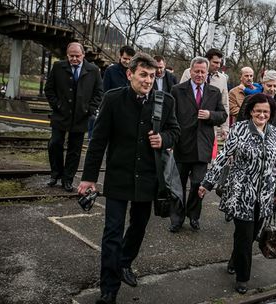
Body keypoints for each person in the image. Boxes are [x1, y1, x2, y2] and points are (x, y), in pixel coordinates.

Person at [78, 53, 180, 304]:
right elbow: (98, 141)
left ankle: (124, 263)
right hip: (118, 177)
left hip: (148, 178)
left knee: (138, 226)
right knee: (112, 232)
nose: (147, 80)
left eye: (152, 76)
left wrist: (163, 139)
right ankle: (109, 289)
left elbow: (175, 131)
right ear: (130, 74)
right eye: (142, 74)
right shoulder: (113, 99)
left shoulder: (165, 101)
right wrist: (88, 178)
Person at [198, 93, 276, 294]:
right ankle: (242, 278)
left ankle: (234, 260)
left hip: (264, 196)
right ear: (251, 111)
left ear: (270, 114)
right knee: (244, 236)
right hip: (242, 193)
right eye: (258, 111)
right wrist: (207, 183)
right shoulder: (240, 129)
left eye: (266, 111)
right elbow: (222, 156)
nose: (262, 114)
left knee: (252, 235)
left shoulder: (275, 133)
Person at [169, 56, 227, 232]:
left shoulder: (214, 92)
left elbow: (223, 115)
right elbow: (170, 116)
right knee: (177, 185)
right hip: (182, 145)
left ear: (207, 72)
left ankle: (193, 216)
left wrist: (210, 115)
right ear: (191, 71)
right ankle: (176, 219)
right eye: (196, 71)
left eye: (203, 72)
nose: (199, 75)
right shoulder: (177, 90)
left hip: (203, 146)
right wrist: (170, 140)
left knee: (197, 184)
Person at [44, 42, 103, 192]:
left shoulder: (93, 70)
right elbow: (49, 89)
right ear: (67, 55)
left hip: (81, 116)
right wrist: (57, 105)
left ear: (83, 55)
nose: (74, 59)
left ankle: (68, 179)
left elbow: (99, 92)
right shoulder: (58, 67)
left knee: (74, 150)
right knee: (55, 143)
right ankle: (55, 174)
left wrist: (90, 109)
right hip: (60, 114)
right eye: (71, 56)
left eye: (77, 56)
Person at [237, 70, 276, 170]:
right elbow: (239, 126)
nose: (272, 89)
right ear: (263, 84)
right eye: (269, 86)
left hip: (271, 154)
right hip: (248, 151)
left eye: (275, 86)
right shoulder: (249, 100)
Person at [180, 48, 229, 139]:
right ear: (207, 60)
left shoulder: (222, 79)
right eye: (215, 62)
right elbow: (180, 97)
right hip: (187, 126)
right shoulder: (188, 72)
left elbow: (225, 104)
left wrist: (225, 127)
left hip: (209, 128)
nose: (218, 66)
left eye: (219, 63)